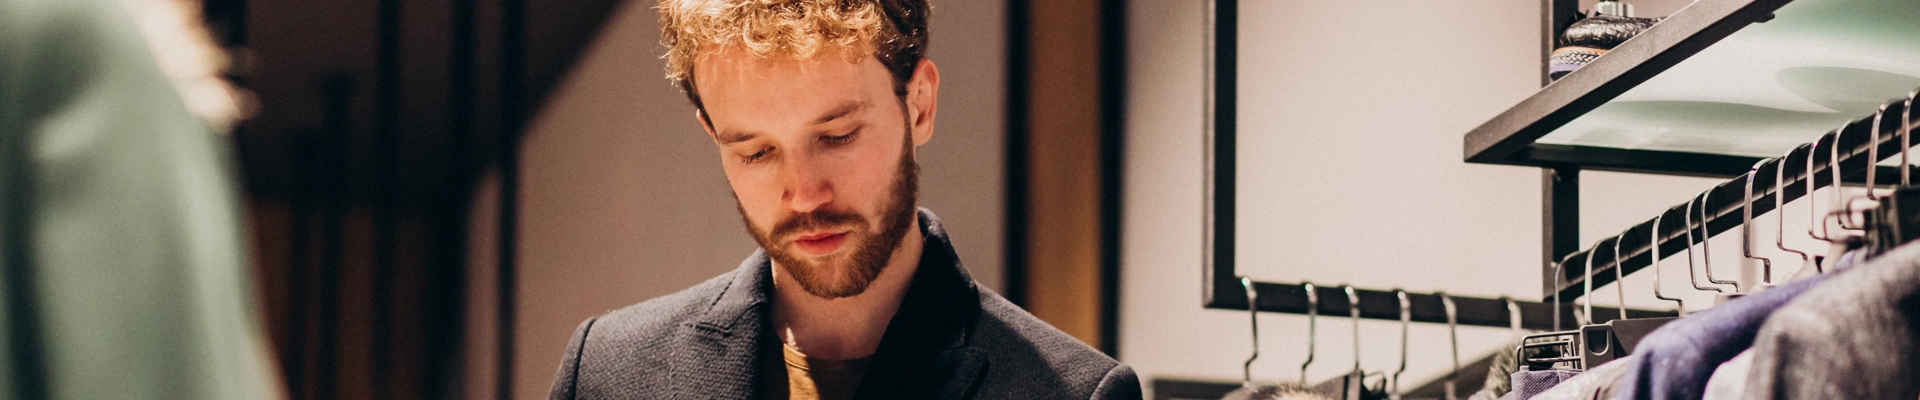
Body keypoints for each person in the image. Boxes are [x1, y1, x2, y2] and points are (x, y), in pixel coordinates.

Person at [546, 0, 1140, 399]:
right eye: (755, 152)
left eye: (837, 137)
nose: (804, 193)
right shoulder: (607, 370)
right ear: (712, 135)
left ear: (920, 104)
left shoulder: (1076, 392)